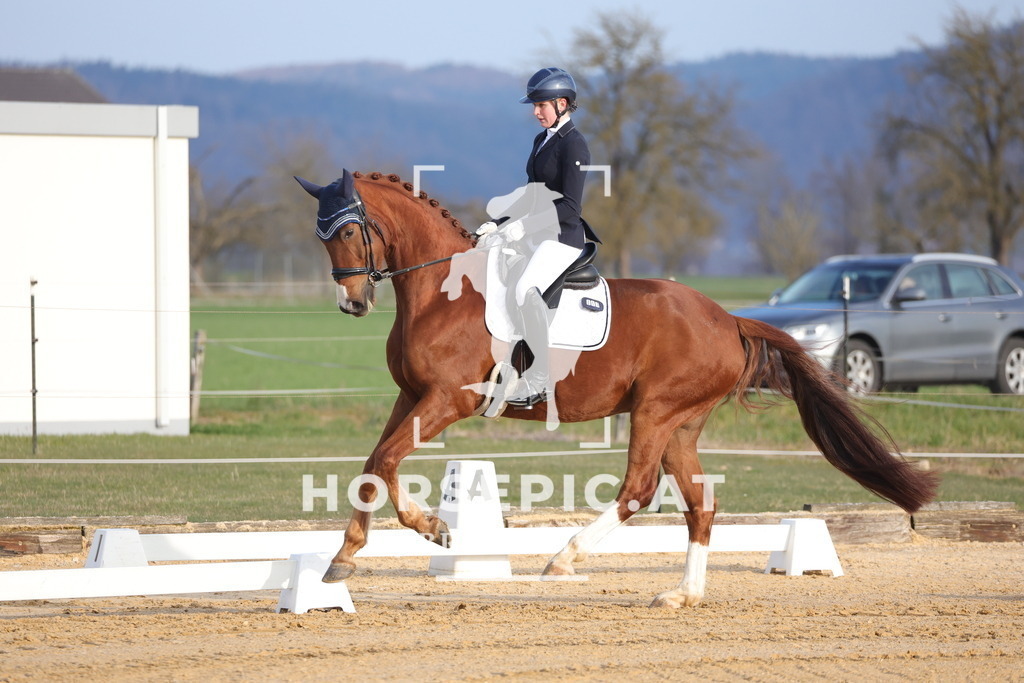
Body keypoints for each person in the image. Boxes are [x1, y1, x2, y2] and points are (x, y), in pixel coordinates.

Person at [476, 67, 599, 408]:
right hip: (535, 237)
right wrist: (497, 222)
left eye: (541, 105)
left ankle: (540, 377)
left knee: (523, 289)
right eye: (534, 105)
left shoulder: (575, 145)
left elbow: (570, 208)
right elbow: (532, 195)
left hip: (562, 240)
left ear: (562, 103)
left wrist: (523, 228)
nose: (535, 112)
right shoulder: (542, 140)